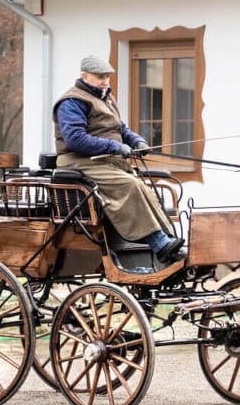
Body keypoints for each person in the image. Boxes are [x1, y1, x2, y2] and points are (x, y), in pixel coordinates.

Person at [53, 54, 184, 264]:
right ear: (84, 76)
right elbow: (75, 139)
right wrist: (115, 147)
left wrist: (137, 141)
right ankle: (159, 244)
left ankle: (168, 240)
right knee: (130, 185)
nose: (105, 81)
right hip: (79, 162)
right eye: (100, 76)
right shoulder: (72, 101)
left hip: (105, 161)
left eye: (107, 76)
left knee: (144, 188)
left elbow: (120, 129)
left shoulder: (105, 98)